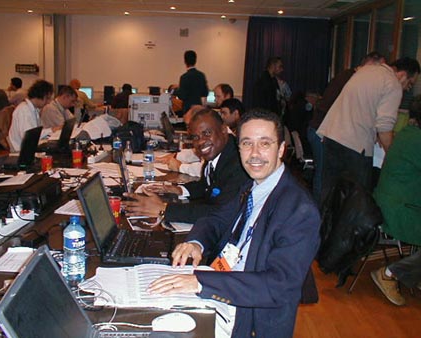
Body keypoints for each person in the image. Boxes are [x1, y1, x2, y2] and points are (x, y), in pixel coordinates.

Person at [148, 109, 321, 337]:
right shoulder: (252, 186)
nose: (254, 154)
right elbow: (217, 218)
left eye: (265, 144)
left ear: (281, 150)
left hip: (247, 317)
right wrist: (196, 243)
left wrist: (202, 283)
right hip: (224, 290)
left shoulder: (299, 210)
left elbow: (280, 286)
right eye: (247, 144)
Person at [318, 57, 421, 204]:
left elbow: (362, 107)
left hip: (332, 135)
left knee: (330, 195)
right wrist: (392, 154)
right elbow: (385, 127)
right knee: (357, 201)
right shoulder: (392, 84)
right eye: (409, 83)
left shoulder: (366, 71)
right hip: (355, 146)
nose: (408, 88)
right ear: (402, 74)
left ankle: (325, 226)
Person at [122, 108, 250, 224]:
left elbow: (220, 211)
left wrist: (164, 209)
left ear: (223, 130)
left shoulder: (238, 163)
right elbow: (207, 185)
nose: (200, 142)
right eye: (195, 137)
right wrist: (178, 189)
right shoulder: (218, 153)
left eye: (207, 133)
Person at [308, 52, 385, 203]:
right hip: (323, 130)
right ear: (371, 64)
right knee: (325, 181)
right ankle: (319, 216)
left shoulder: (348, 76)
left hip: (320, 128)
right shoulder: (354, 79)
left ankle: (322, 214)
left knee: (324, 179)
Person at [370, 94, 421, 306]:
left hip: (393, 202)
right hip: (400, 209)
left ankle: (417, 274)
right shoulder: (418, 141)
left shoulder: (408, 134)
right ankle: (389, 273)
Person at [8, 80, 58, 152]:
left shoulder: (33, 109)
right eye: (47, 98)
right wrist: (51, 130)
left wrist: (51, 131)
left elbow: (34, 133)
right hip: (21, 152)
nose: (48, 102)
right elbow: (29, 136)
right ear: (40, 95)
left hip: (28, 148)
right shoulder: (24, 111)